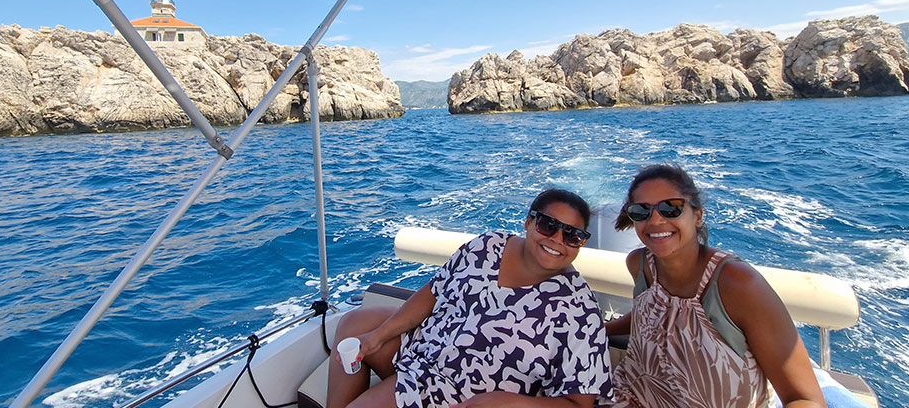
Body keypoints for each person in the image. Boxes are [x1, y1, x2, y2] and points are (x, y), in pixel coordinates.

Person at [327, 189, 614, 408]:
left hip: (461, 392)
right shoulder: (487, 246)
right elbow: (433, 292)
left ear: (582, 242)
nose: (557, 240)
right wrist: (378, 336)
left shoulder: (579, 310)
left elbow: (579, 403)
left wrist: (508, 403)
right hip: (431, 348)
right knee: (354, 326)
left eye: (572, 235)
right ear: (529, 222)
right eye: (548, 225)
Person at [602, 164, 824, 408]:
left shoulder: (738, 285)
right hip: (629, 397)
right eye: (641, 211)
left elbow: (804, 398)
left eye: (671, 208)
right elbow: (656, 315)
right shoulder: (640, 264)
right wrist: (604, 329)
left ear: (697, 216)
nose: (655, 220)